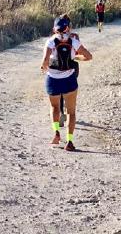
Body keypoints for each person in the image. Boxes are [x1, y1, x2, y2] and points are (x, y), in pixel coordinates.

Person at [40, 15, 92, 151]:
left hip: (53, 81)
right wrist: (75, 57)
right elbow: (89, 56)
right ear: (68, 28)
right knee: (71, 112)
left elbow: (45, 62)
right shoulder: (74, 41)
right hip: (69, 80)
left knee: (54, 108)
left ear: (54, 29)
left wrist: (46, 67)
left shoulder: (50, 42)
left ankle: (56, 134)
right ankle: (69, 141)